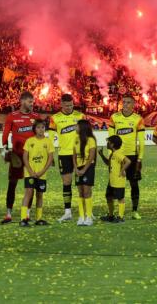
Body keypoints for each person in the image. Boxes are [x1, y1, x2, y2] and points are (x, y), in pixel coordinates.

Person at [1, 92, 41, 224]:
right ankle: (8, 214)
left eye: (32, 101)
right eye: (30, 101)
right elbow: (6, 133)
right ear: (22, 101)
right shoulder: (12, 116)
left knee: (31, 184)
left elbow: (41, 134)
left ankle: (27, 214)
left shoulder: (36, 116)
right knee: (12, 183)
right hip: (17, 155)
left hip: (32, 155)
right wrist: (5, 148)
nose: (32, 104)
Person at [48, 94, 85, 222]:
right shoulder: (55, 118)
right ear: (61, 104)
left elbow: (86, 134)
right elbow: (51, 139)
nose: (69, 107)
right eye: (67, 105)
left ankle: (86, 211)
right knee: (66, 182)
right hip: (64, 154)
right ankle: (67, 212)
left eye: (71, 105)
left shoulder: (80, 116)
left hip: (79, 154)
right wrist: (50, 154)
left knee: (82, 183)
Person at [107, 95, 145, 220]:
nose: (126, 104)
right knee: (113, 183)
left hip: (132, 156)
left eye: (129, 102)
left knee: (134, 184)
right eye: (124, 102)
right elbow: (110, 138)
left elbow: (141, 140)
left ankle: (134, 211)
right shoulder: (114, 117)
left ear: (133, 104)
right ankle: (112, 213)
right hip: (117, 156)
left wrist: (140, 158)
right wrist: (109, 155)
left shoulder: (138, 119)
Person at [20, 120, 54, 227]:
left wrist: (42, 171)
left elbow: (50, 159)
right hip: (30, 173)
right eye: (38, 127)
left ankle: (39, 219)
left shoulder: (48, 142)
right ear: (35, 129)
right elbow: (25, 157)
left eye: (43, 127)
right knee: (28, 193)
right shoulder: (30, 141)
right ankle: (23, 218)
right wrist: (30, 171)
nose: (41, 129)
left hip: (41, 174)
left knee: (40, 195)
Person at [100, 135, 131, 223]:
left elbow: (128, 161)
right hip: (112, 181)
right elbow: (108, 164)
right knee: (109, 196)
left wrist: (122, 170)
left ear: (112, 144)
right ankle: (111, 216)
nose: (107, 143)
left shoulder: (118, 153)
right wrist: (102, 155)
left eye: (108, 142)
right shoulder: (112, 154)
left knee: (120, 198)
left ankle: (121, 217)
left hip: (118, 181)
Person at [73, 120, 97, 226]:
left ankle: (88, 216)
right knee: (80, 192)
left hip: (88, 168)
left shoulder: (91, 140)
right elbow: (73, 155)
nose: (75, 127)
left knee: (87, 192)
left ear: (82, 127)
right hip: (78, 168)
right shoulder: (76, 139)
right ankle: (81, 216)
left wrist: (84, 169)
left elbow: (91, 156)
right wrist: (76, 168)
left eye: (77, 126)